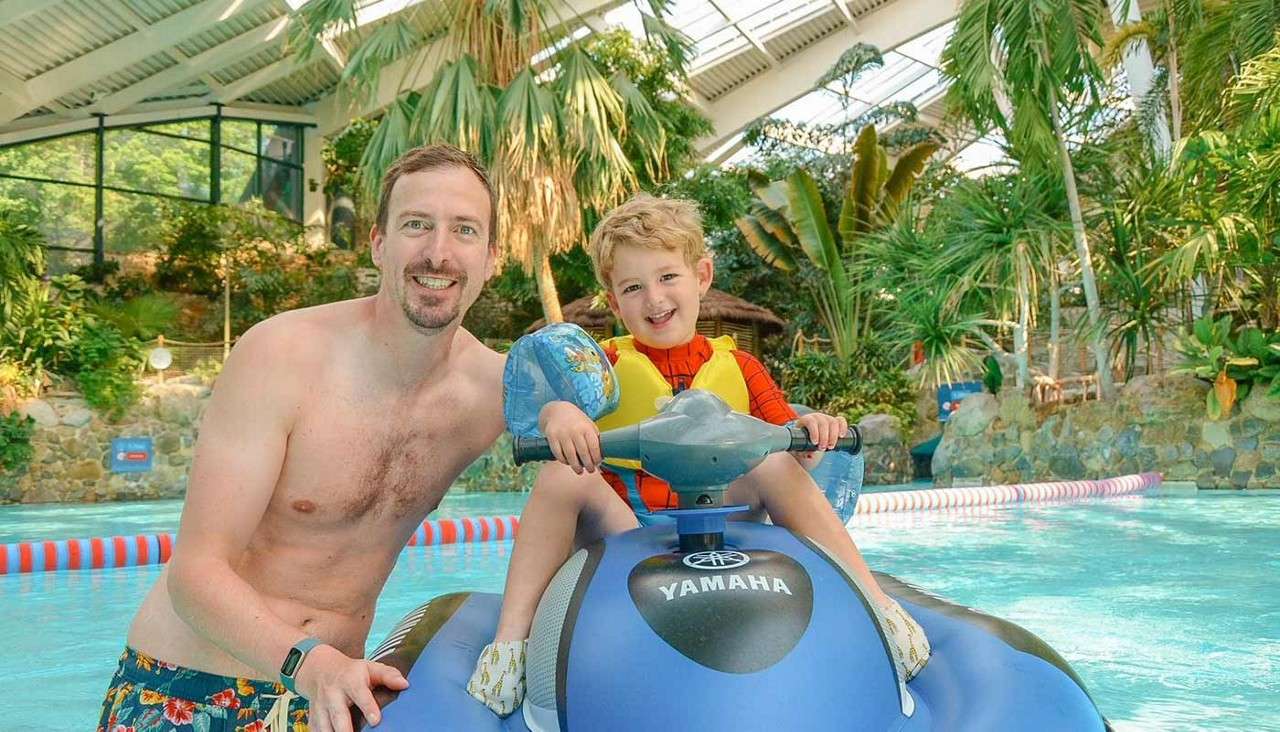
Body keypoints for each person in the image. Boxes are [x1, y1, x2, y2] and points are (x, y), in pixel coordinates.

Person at [467, 194, 930, 717]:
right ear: (615, 304)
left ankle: (878, 607)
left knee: (773, 461)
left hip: (726, 528)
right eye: (633, 287)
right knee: (559, 477)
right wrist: (560, 416)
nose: (654, 298)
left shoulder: (743, 367)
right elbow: (551, 417)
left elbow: (793, 446)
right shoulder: (603, 370)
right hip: (628, 531)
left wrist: (812, 432)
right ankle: (512, 644)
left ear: (702, 276)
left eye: (668, 277)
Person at [98, 144, 507, 732]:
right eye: (416, 225)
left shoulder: (493, 392)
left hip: (328, 704)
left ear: (491, 256)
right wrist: (309, 664)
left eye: (463, 230)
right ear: (378, 243)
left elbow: (592, 480)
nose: (438, 253)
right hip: (189, 687)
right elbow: (195, 572)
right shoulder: (282, 355)